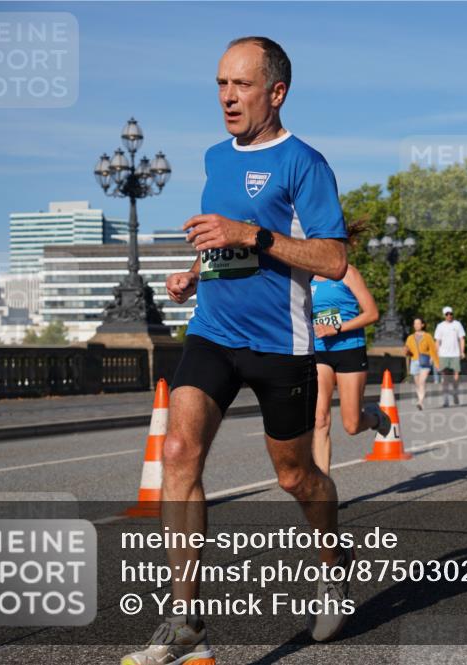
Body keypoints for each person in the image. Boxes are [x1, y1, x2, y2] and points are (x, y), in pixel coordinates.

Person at [126, 37, 352, 664]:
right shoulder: (214, 157)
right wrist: (195, 273)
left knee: (295, 476)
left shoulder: (305, 163)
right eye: (221, 84)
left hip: (281, 343)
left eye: (242, 85)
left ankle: (332, 571)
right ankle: (187, 625)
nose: (228, 97)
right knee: (177, 453)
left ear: (276, 92)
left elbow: (333, 258)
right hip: (214, 331)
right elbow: (224, 241)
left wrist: (252, 233)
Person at [311, 222, 392, 476]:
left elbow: (372, 313)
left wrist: (336, 328)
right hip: (319, 352)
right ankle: (323, 487)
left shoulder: (348, 273)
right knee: (320, 419)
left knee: (352, 425)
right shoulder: (306, 277)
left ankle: (376, 417)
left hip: (349, 350)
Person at [404, 317, 439, 410]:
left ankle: (420, 401)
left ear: (422, 325)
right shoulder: (410, 337)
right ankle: (420, 400)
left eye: (418, 323)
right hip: (414, 361)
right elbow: (407, 351)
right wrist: (407, 351)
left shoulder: (428, 336)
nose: (416, 325)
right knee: (417, 384)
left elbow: (433, 350)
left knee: (422, 382)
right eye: (414, 324)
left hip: (425, 361)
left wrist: (436, 362)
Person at [434, 306, 466, 407]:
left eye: (450, 314)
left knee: (456, 376)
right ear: (444, 315)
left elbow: (462, 339)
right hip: (443, 355)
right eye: (447, 314)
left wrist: (462, 351)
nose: (449, 316)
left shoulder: (457, 324)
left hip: (455, 354)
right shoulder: (440, 326)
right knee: (445, 378)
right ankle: (446, 399)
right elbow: (437, 341)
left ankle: (455, 393)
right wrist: (436, 354)